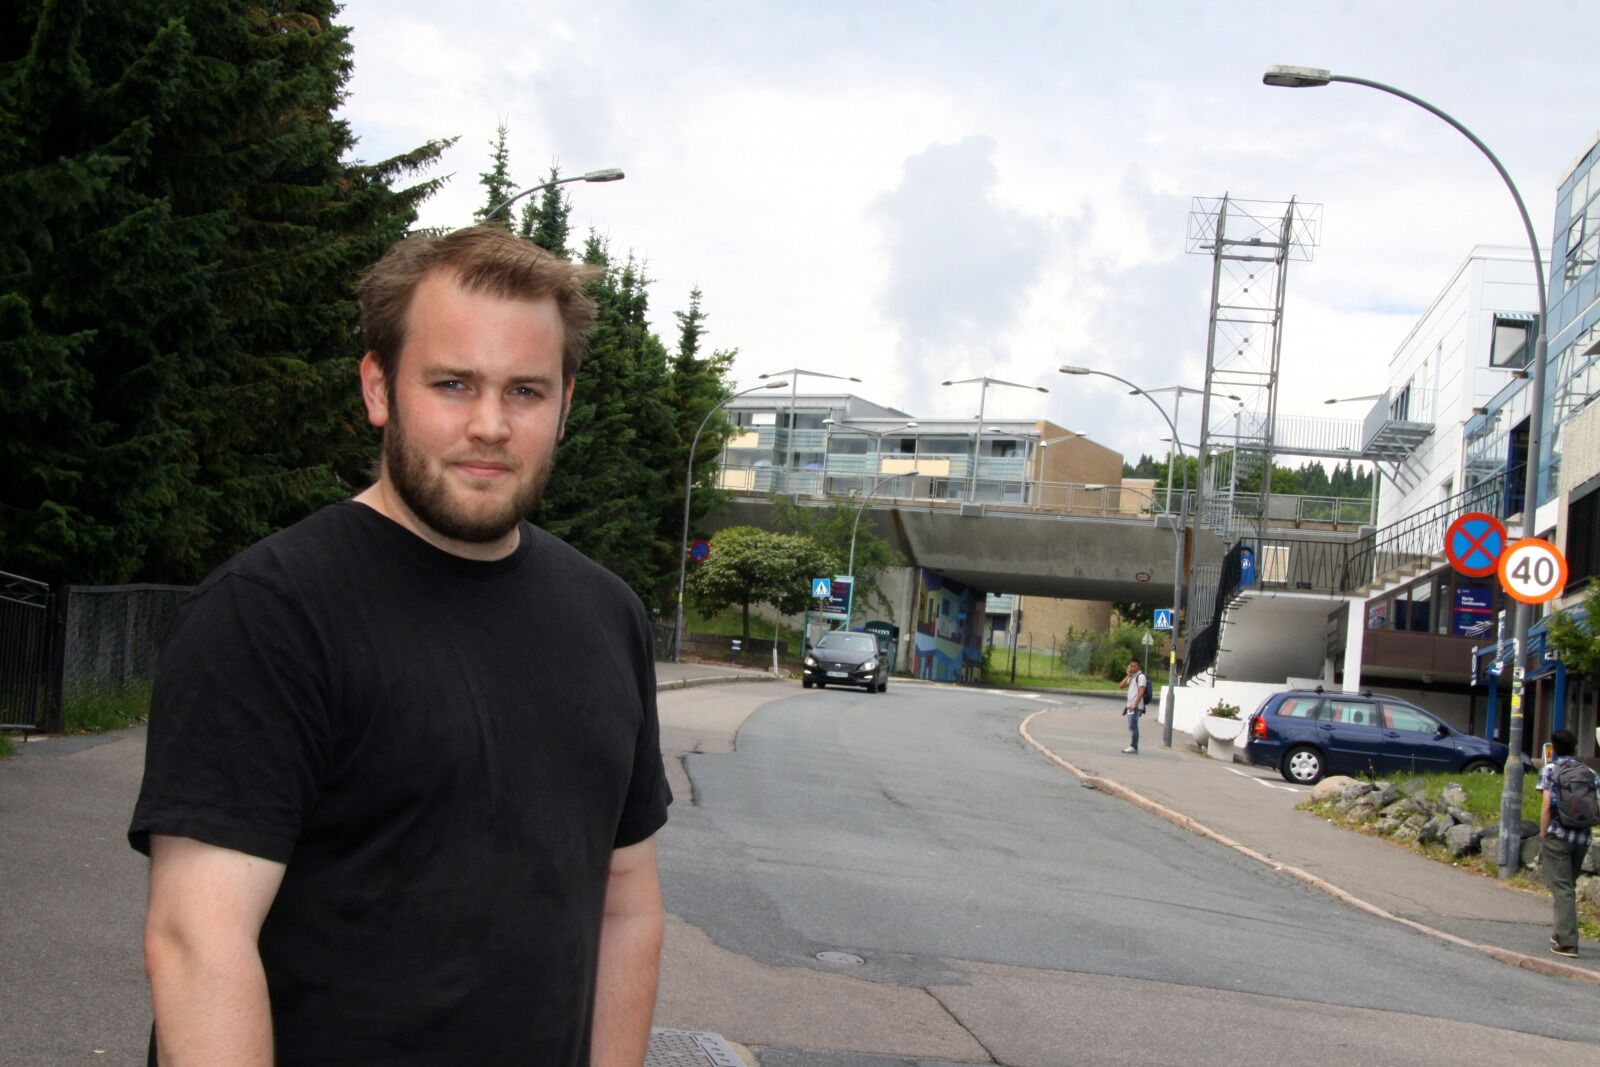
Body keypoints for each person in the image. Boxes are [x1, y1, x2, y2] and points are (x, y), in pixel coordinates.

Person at [128, 226, 671, 1066]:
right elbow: (197, 938)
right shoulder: (269, 614)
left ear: (565, 402)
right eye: (452, 384)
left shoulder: (610, 616)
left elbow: (626, 903)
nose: (489, 424)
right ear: (379, 388)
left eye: (524, 391)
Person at [1537, 728, 1599, 959]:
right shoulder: (1590, 772)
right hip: (1582, 837)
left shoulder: (1550, 770)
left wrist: (1544, 833)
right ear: (1575, 748)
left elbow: (1546, 806)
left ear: (1552, 748)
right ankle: (1559, 933)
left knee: (1562, 889)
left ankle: (1567, 943)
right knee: (1567, 887)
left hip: (1558, 835)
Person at [1118, 658, 1147, 754]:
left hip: (1136, 706)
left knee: (1133, 726)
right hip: (1130, 706)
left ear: (1138, 666)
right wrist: (1128, 675)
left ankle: (1133, 747)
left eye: (1134, 666)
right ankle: (1133, 746)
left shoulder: (1141, 677)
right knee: (1131, 726)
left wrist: (1135, 703)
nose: (1132, 667)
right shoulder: (1132, 677)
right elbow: (1121, 686)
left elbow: (1141, 691)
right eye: (1130, 665)